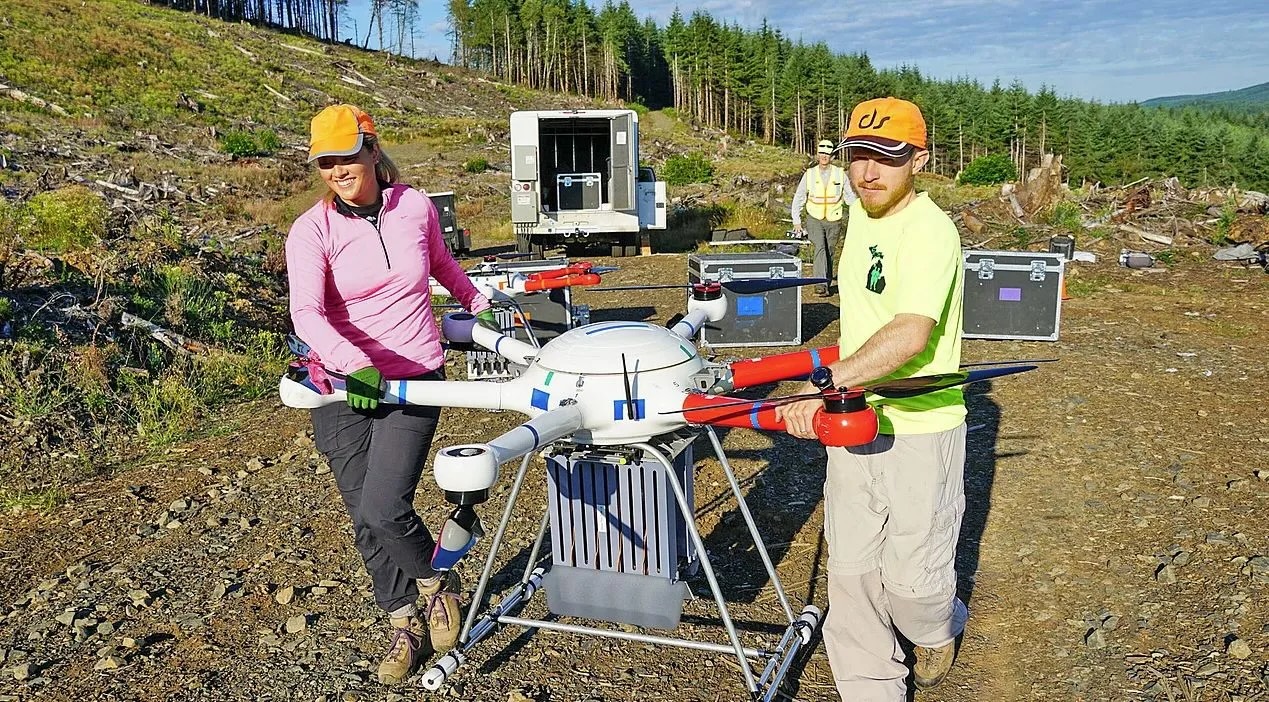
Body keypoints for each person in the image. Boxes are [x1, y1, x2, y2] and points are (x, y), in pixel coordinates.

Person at [285, 104, 499, 685]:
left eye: (345, 156)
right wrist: (352, 363)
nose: (335, 169)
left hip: (414, 377)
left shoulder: (415, 207)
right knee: (363, 516)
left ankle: (434, 584)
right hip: (342, 386)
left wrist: (481, 306)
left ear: (372, 150)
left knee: (385, 506)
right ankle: (405, 620)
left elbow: (443, 266)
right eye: (324, 162)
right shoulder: (311, 230)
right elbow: (305, 311)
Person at [776, 97, 967, 701]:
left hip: (921, 424)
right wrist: (824, 376)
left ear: (919, 159)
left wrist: (828, 384)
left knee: (913, 584)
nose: (867, 173)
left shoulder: (931, 231)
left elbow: (910, 334)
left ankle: (938, 627)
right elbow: (865, 327)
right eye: (859, 156)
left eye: (886, 158)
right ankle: (873, 690)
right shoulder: (861, 220)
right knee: (852, 571)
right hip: (854, 420)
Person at [791, 138, 856, 296]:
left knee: (830, 251)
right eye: (821, 153)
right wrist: (797, 221)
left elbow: (850, 198)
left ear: (832, 156)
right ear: (818, 155)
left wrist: (859, 215)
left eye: (827, 154)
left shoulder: (840, 175)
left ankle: (826, 282)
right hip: (814, 217)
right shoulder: (810, 174)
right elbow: (799, 197)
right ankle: (820, 284)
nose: (824, 156)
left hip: (834, 219)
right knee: (819, 247)